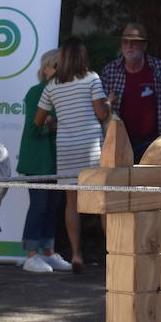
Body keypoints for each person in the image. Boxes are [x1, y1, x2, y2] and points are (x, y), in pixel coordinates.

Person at [35, 38, 110, 273]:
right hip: (90, 146)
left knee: (71, 202)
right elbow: (100, 113)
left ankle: (76, 254)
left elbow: (38, 120)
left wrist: (54, 123)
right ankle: (111, 253)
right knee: (102, 201)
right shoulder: (92, 78)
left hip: (66, 147)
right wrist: (109, 104)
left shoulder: (53, 85)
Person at [99, 22, 161, 161]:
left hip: (155, 143)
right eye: (125, 42)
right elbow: (100, 110)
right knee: (120, 182)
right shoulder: (110, 71)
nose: (128, 46)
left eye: (134, 43)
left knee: (152, 181)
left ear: (144, 46)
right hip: (119, 144)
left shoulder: (160, 69)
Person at [18, 49, 71, 274]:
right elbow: (35, 126)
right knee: (39, 206)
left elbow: (62, 123)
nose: (59, 71)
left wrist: (52, 122)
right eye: (55, 66)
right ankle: (31, 254)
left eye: (63, 66)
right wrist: (51, 123)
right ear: (45, 68)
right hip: (37, 160)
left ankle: (48, 251)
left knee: (53, 206)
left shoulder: (67, 92)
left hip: (57, 160)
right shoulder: (36, 92)